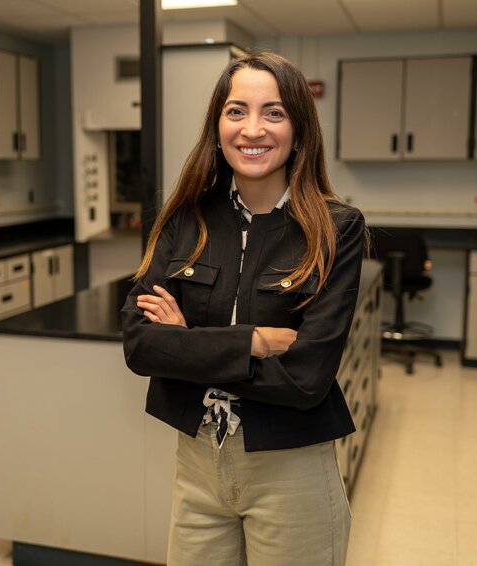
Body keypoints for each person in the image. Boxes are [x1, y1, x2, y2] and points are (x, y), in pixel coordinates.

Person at [121, 50, 365, 566]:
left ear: (299, 128)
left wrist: (185, 345)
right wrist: (254, 341)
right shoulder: (185, 219)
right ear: (217, 125)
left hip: (291, 467)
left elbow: (305, 380)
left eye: (273, 112)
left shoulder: (335, 228)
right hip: (198, 464)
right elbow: (142, 345)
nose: (252, 129)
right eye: (236, 111)